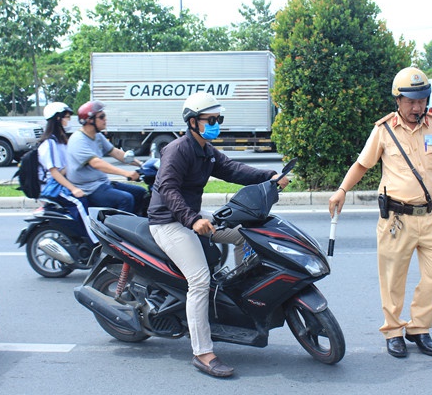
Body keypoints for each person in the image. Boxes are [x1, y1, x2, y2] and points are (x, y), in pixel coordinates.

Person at [328, 67, 432, 359]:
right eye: (410, 100)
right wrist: (342, 190)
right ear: (398, 100)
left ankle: (419, 328)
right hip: (397, 219)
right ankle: (393, 331)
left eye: (421, 100)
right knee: (393, 278)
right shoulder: (383, 130)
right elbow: (362, 164)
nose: (416, 107)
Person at [147, 92, 288, 378]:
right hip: (168, 222)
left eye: (218, 119)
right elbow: (168, 190)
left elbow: (233, 169)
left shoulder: (206, 150)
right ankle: (202, 353)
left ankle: (239, 291)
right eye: (210, 119)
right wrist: (192, 219)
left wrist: (269, 176)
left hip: (192, 218)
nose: (215, 124)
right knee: (199, 280)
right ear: (192, 121)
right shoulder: (178, 150)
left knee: (244, 233)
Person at [66, 101, 146, 215]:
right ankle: (119, 231)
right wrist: (126, 173)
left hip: (102, 184)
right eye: (102, 117)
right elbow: (96, 163)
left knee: (141, 192)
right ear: (89, 120)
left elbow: (115, 152)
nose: (105, 119)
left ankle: (137, 225)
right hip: (89, 189)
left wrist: (141, 165)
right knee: (126, 199)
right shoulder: (78, 140)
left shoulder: (97, 136)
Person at [37, 102, 97, 243]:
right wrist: (74, 189)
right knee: (79, 203)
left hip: (61, 183)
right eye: (66, 117)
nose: (68, 120)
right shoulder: (49, 143)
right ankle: (96, 242)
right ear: (58, 118)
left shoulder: (62, 140)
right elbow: (55, 173)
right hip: (52, 187)